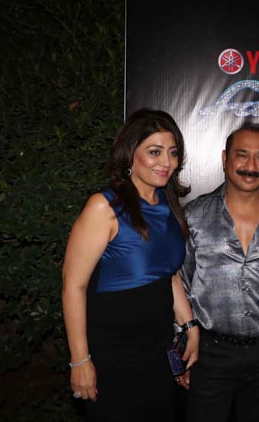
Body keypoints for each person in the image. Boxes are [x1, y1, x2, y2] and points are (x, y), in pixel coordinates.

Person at [61, 108, 200, 422]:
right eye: (154, 152)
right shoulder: (104, 206)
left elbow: (170, 275)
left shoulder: (168, 204)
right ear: (129, 154)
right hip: (113, 354)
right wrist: (80, 360)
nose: (166, 162)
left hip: (157, 351)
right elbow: (73, 285)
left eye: (173, 152)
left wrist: (190, 326)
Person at [178, 121, 259, 422]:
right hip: (208, 352)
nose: (251, 166)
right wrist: (181, 351)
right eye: (242, 155)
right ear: (225, 159)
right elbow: (180, 285)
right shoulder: (194, 216)